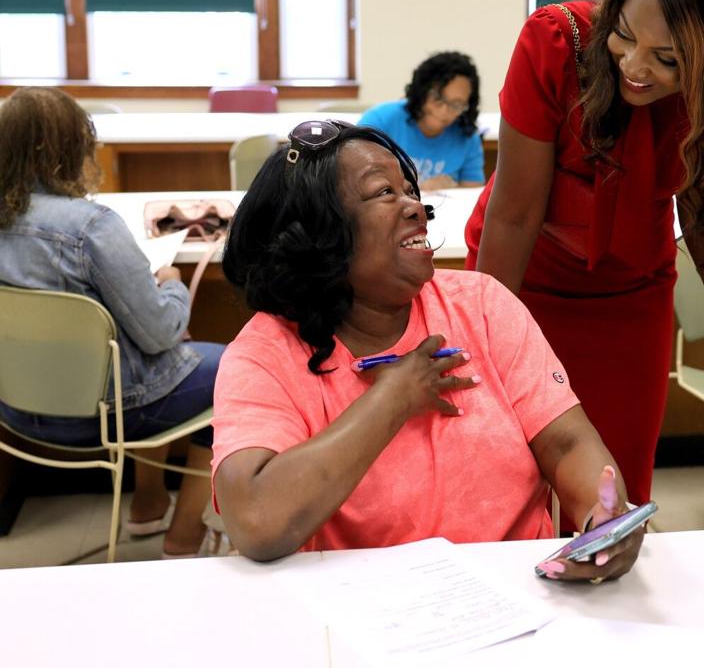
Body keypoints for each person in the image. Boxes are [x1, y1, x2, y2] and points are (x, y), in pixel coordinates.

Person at [213, 120, 644, 579]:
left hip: (517, 593)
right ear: (319, 233)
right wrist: (392, 398)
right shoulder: (265, 352)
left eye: (409, 189)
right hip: (360, 605)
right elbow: (256, 521)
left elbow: (567, 442)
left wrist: (605, 519)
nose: (416, 207)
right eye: (384, 193)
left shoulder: (482, 304)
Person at [465, 0, 704, 508]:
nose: (635, 68)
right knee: (515, 489)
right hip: (524, 287)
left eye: (667, 59)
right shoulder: (556, 42)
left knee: (615, 495)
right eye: (624, 35)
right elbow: (513, 216)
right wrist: (486, 342)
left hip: (630, 301)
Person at [0, 86, 223, 557]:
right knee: (236, 369)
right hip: (108, 414)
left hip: (15, 411)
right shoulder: (90, 227)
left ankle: (147, 502)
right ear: (70, 148)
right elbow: (159, 329)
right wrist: (171, 282)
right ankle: (184, 536)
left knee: (156, 352)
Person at [358, 51, 484, 190]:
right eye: (437, 97)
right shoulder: (380, 121)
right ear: (421, 91)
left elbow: (473, 191)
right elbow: (357, 181)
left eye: (456, 104)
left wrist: (451, 187)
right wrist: (417, 188)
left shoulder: (467, 136)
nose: (444, 110)